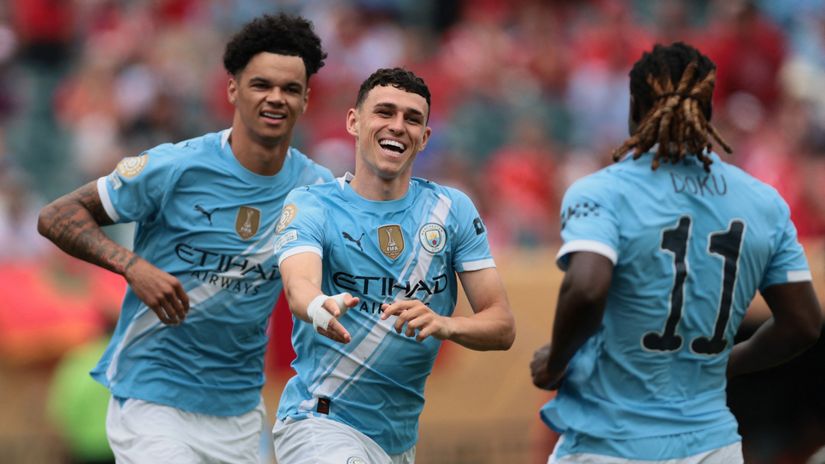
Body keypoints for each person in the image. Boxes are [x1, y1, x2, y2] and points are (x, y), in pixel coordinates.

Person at [37, 13, 332, 463]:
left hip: (238, 408)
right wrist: (132, 266)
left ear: (306, 98)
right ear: (233, 88)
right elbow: (57, 216)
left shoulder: (316, 191)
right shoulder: (174, 168)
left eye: (290, 89)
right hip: (152, 396)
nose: (275, 98)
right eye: (261, 85)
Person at [530, 42, 822, 464]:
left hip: (610, 443)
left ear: (633, 109)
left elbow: (587, 286)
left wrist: (556, 360)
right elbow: (805, 324)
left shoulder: (604, 191)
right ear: (709, 113)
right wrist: (727, 362)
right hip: (712, 446)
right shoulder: (763, 202)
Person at [271, 67, 516, 463]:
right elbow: (299, 285)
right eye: (384, 112)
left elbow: (502, 324)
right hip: (319, 423)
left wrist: (445, 324)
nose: (398, 126)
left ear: (425, 138)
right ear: (354, 121)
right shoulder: (312, 204)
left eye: (412, 119)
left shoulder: (450, 210)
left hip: (397, 442)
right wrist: (320, 306)